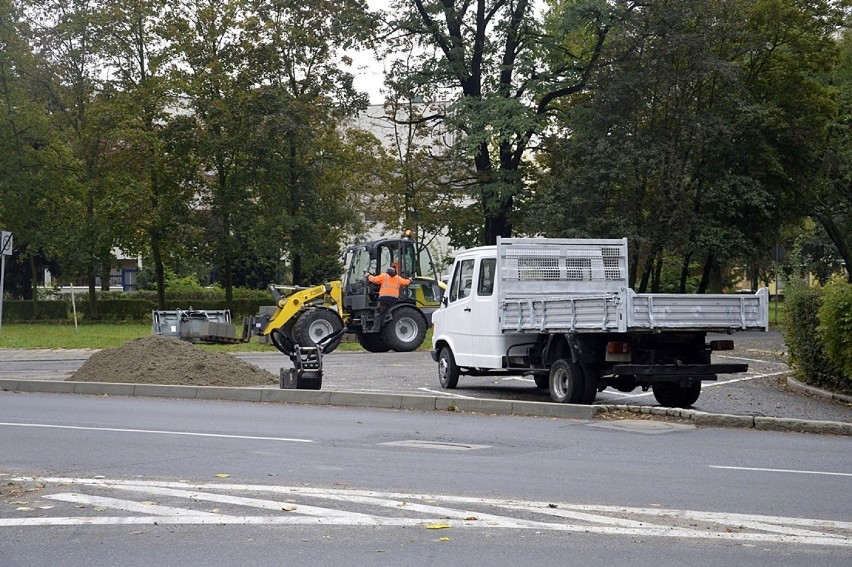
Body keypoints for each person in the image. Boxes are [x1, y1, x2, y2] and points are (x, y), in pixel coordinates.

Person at [367, 266, 411, 332]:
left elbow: (374, 280)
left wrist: (368, 276)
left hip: (384, 298)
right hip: (394, 299)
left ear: (387, 272)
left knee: (378, 312)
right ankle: (387, 316)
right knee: (386, 309)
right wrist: (410, 280)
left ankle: (376, 328)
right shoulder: (398, 278)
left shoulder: (384, 276)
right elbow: (405, 282)